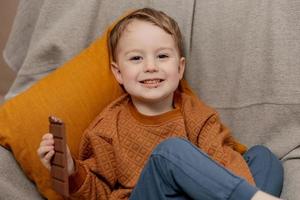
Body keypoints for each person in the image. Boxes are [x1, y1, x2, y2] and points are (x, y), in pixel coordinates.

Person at [37, 8, 283, 200]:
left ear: (180, 67)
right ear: (118, 72)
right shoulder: (106, 128)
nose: (151, 66)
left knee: (263, 157)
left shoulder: (195, 113)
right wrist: (71, 169)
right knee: (170, 152)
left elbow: (222, 159)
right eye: (136, 58)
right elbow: (97, 192)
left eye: (162, 56)